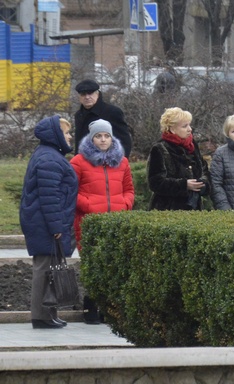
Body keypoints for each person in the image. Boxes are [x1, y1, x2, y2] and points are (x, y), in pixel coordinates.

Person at [70, 119, 134, 324]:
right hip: (88, 222)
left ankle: (109, 308)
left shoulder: (121, 161)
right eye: (99, 136)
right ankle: (91, 306)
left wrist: (124, 205)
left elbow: (129, 190)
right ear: (92, 138)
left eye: (106, 136)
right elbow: (70, 190)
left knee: (113, 263)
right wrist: (88, 205)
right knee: (92, 264)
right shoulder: (79, 162)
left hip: (116, 221)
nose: (103, 139)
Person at [20, 115, 77, 329]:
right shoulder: (49, 159)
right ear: (55, 135)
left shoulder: (50, 155)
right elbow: (49, 197)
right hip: (45, 223)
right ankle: (41, 316)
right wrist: (57, 227)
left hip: (43, 222)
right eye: (66, 132)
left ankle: (48, 314)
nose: (70, 136)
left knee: (49, 268)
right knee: (44, 269)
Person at [147, 107, 210, 211]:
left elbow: (204, 171)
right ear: (172, 129)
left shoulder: (192, 145)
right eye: (185, 126)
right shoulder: (159, 149)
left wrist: (201, 184)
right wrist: (184, 185)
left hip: (194, 209)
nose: (190, 129)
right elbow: (155, 182)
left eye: (189, 125)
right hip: (167, 211)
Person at [74, 79, 133, 158]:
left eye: (90, 93)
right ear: (79, 97)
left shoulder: (112, 112)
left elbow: (124, 141)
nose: (87, 97)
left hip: (107, 162)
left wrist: (120, 163)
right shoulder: (79, 115)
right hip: (83, 163)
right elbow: (78, 142)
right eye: (83, 94)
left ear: (97, 94)